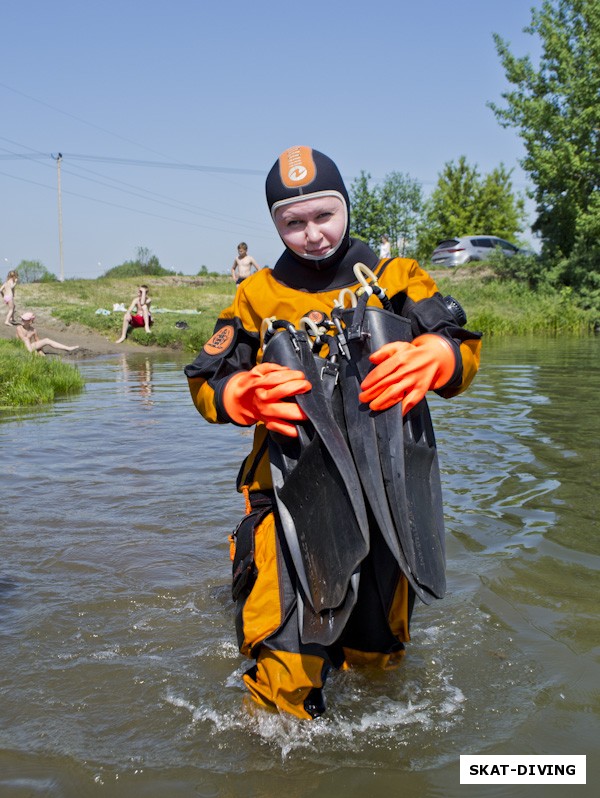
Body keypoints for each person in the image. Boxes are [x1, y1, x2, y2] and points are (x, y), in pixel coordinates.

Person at [185, 146, 482, 720]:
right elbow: (205, 382)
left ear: (346, 207)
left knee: (378, 656)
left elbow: (463, 348)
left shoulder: (394, 277)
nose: (313, 234)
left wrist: (440, 354)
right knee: (284, 668)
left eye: (324, 215)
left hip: (386, 493)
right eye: (292, 223)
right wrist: (237, 396)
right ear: (275, 223)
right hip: (286, 492)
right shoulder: (256, 295)